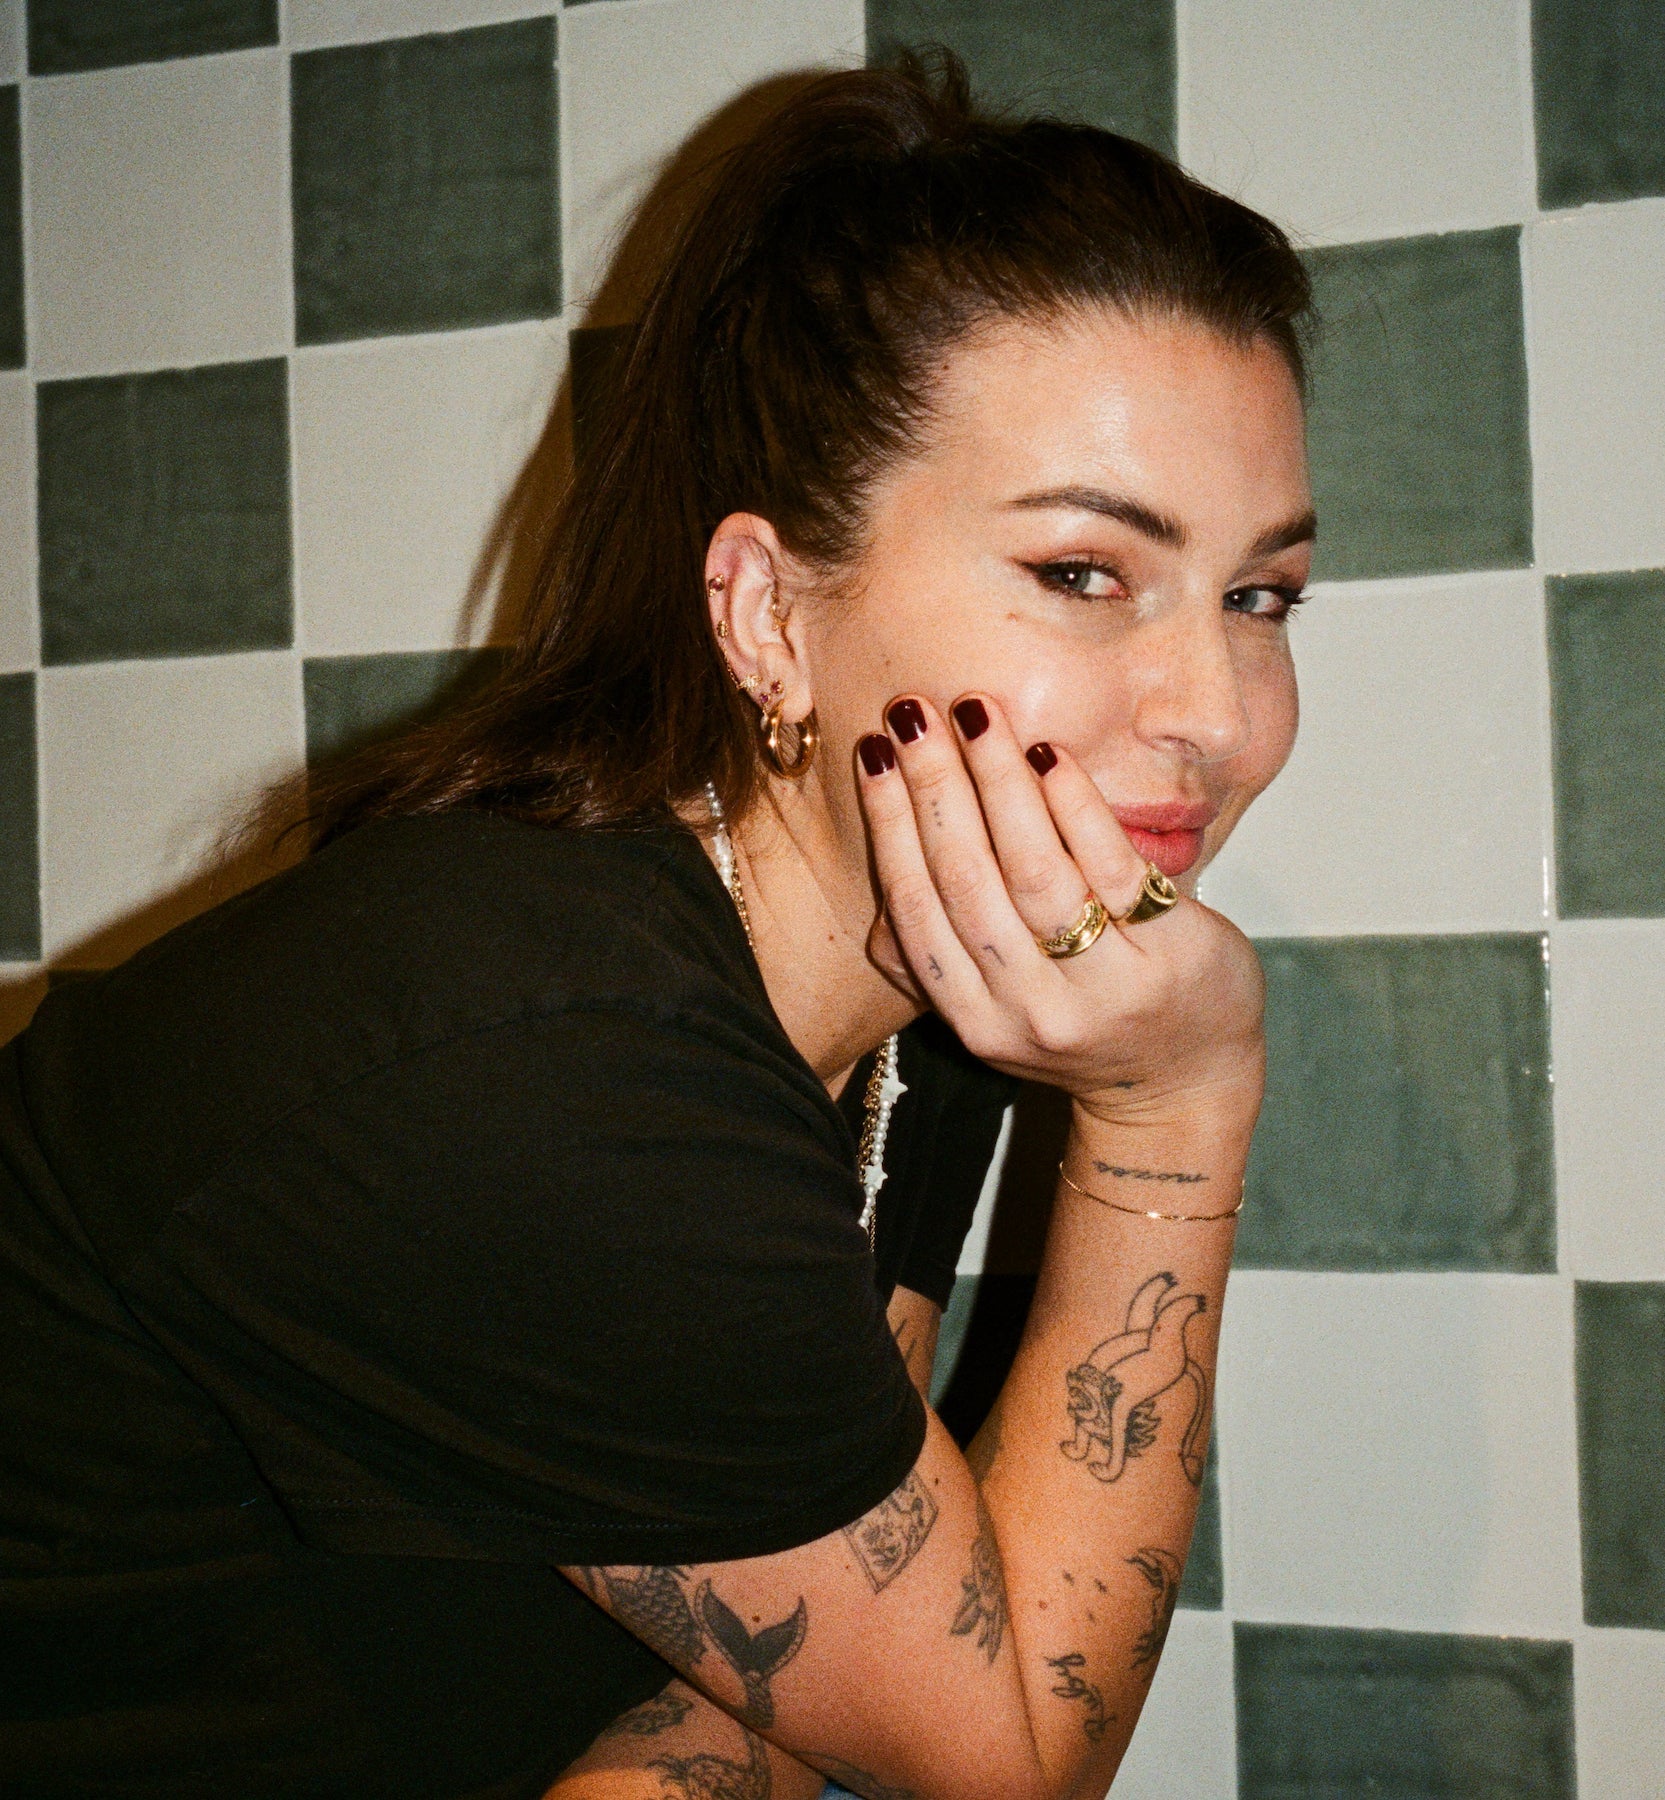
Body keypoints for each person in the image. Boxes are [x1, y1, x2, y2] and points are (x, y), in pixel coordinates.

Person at [0, 55, 1313, 1800]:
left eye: (1260, 596)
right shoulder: (547, 1055)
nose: (1216, 713)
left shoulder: (932, 974)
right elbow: (997, 1758)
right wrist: (1177, 1106)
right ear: (766, 613)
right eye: (1083, 573)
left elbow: (794, 1658)